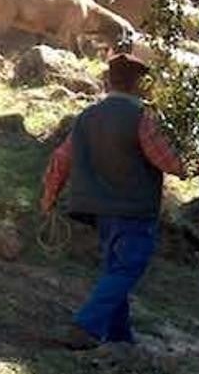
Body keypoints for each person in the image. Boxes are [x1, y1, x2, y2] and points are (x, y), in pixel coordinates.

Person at [41, 53, 186, 350]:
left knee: (115, 269)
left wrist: (49, 197)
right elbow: (169, 162)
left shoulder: (87, 116)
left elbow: (61, 159)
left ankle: (120, 337)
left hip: (98, 211)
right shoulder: (142, 117)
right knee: (127, 269)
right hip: (133, 208)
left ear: (108, 81)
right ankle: (85, 326)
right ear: (142, 84)